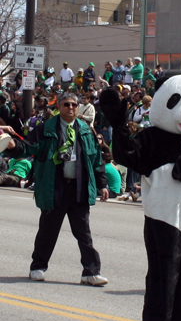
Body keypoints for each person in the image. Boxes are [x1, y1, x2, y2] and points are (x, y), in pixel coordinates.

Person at [4, 93, 109, 286]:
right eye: (67, 104)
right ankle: (37, 267)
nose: (71, 108)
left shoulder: (86, 130)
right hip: (54, 187)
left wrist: (102, 184)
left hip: (78, 189)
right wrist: (12, 145)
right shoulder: (46, 128)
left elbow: (96, 160)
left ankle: (91, 272)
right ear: (59, 107)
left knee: (84, 233)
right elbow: (29, 148)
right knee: (48, 231)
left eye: (74, 105)